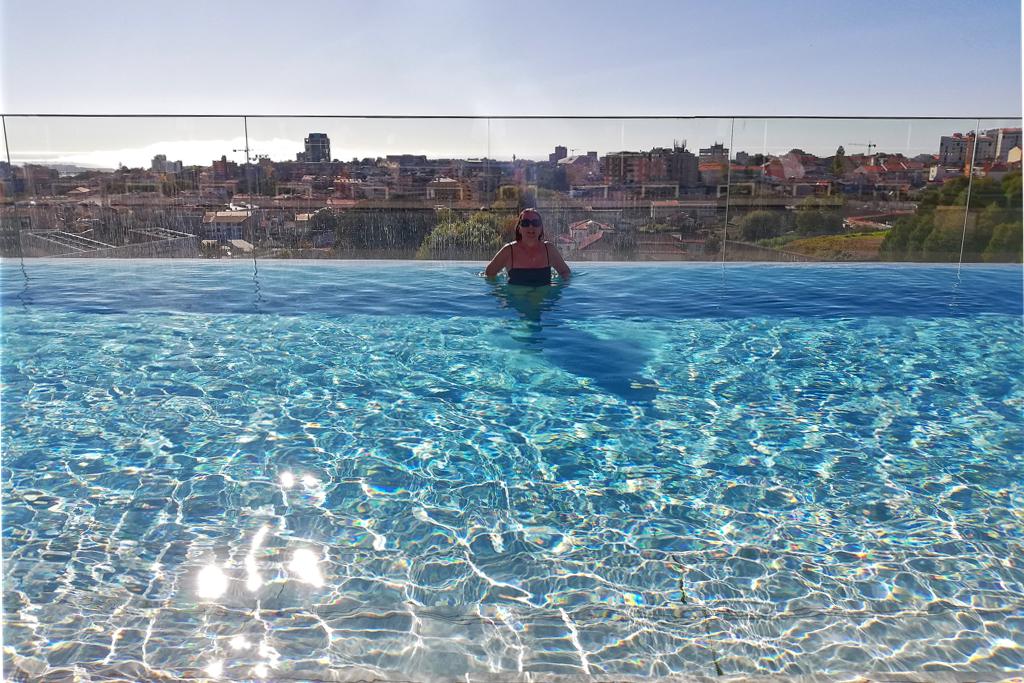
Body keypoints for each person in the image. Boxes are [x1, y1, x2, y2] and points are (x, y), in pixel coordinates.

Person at [485, 208, 571, 285]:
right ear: (519, 228)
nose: (531, 226)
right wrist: (501, 293)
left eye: (535, 223)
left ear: (540, 228)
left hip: (544, 301)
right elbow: (490, 273)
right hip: (516, 300)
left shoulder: (549, 249)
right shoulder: (509, 251)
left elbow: (565, 272)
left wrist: (557, 291)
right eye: (525, 223)